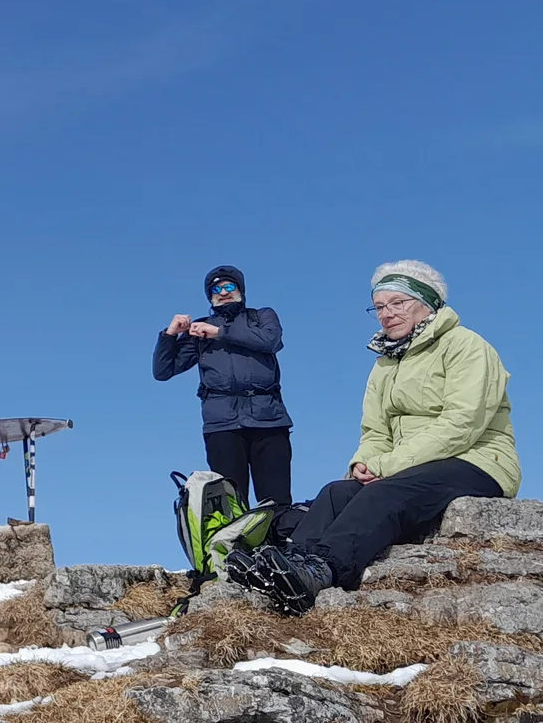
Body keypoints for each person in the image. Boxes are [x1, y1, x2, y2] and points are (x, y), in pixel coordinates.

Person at [227, 261, 521, 615]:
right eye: (379, 307)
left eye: (397, 303)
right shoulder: (385, 363)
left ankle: (322, 571)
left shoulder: (466, 346)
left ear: (427, 303)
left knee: (385, 491)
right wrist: (363, 463)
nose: (387, 314)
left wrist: (387, 465)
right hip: (410, 467)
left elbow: (462, 423)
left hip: (477, 461)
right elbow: (375, 431)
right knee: (337, 492)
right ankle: (286, 568)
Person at [154, 266, 296, 505]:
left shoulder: (261, 317)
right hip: (222, 425)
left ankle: (278, 541)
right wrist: (170, 335)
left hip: (268, 419)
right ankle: (235, 543)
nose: (223, 292)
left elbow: (271, 340)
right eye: (216, 289)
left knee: (276, 501)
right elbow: (163, 371)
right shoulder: (199, 329)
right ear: (210, 297)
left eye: (229, 286)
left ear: (240, 289)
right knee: (231, 502)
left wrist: (220, 332)